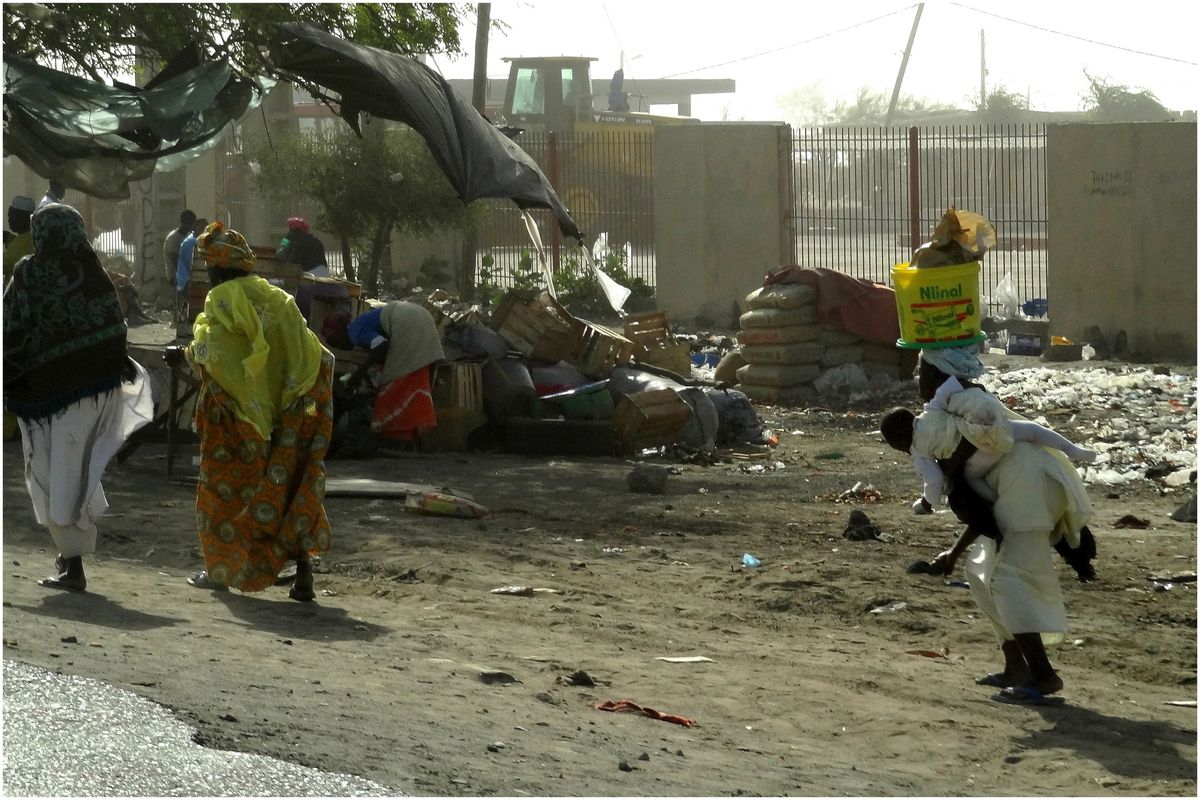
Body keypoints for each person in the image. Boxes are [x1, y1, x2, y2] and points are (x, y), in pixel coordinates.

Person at [2, 203, 154, 591]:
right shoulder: (94, 275)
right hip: (93, 392)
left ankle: (72, 564)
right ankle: (70, 555)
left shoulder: (29, 273)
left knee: (54, 474)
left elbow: (11, 330)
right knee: (78, 469)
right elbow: (114, 330)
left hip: (47, 395)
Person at [184, 221, 334, 601]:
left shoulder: (221, 299)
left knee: (221, 491)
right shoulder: (277, 297)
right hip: (296, 407)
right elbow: (308, 349)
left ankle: (220, 570)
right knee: (294, 487)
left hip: (241, 416)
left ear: (215, 268)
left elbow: (213, 353)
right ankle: (303, 576)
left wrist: (188, 356)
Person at [881, 375, 1097, 512]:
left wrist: (928, 504)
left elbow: (934, 480)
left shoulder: (919, 453)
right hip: (986, 433)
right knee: (1032, 430)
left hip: (979, 455)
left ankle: (996, 502)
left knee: (972, 478)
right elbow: (947, 388)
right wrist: (971, 386)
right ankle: (1073, 449)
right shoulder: (931, 411)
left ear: (900, 441)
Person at [327, 301, 444, 444]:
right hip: (423, 316)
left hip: (405, 322)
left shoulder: (354, 331)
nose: (340, 347)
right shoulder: (363, 323)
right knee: (415, 379)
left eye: (336, 342)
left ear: (340, 332)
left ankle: (396, 438)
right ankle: (415, 436)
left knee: (393, 386)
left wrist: (358, 375)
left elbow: (381, 345)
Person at [174, 216, 207, 321]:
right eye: (203, 229)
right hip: (186, 282)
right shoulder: (191, 243)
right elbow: (193, 266)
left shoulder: (194, 240)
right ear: (197, 229)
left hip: (190, 279)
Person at [164, 209, 196, 302]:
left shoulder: (189, 236)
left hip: (187, 272)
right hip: (175, 274)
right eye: (191, 223)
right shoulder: (173, 238)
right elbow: (175, 261)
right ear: (186, 222)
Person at [4, 195, 36, 281]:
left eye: (12, 216)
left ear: (24, 218)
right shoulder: (35, 236)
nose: (9, 220)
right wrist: (8, 237)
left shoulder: (18, 245)